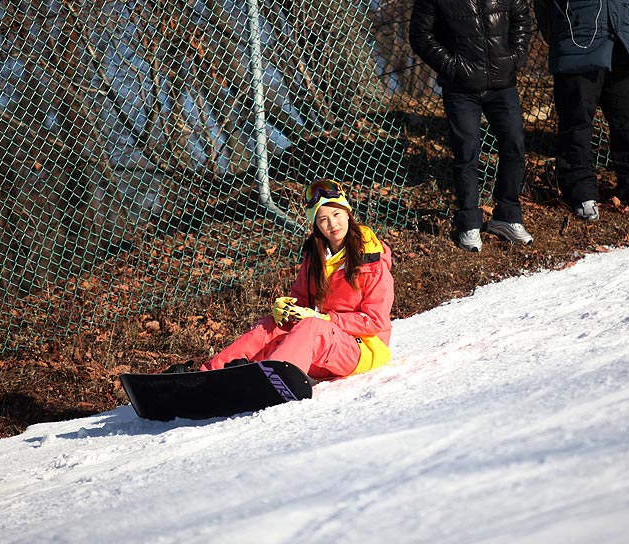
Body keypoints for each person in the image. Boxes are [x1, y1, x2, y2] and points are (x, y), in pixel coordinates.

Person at [199, 179, 394, 381]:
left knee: (312, 327)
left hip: (363, 348)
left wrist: (326, 319)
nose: (332, 224)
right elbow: (302, 303)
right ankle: (211, 376)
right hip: (320, 350)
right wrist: (288, 310)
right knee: (270, 326)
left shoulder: (372, 260)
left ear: (347, 213)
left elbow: (375, 321)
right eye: (323, 219)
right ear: (316, 225)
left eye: (336, 214)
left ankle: (272, 381)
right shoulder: (315, 257)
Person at [409, 0, 535, 252]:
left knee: (514, 146)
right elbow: (420, 35)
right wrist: (453, 67)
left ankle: (507, 216)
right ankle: (469, 223)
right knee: (466, 153)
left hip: (503, 84)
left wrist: (514, 57)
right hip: (461, 90)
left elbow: (522, 17)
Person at [533, 0, 629, 221]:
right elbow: (543, 8)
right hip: (576, 45)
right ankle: (582, 195)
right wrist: (564, 33)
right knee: (576, 126)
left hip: (621, 44)